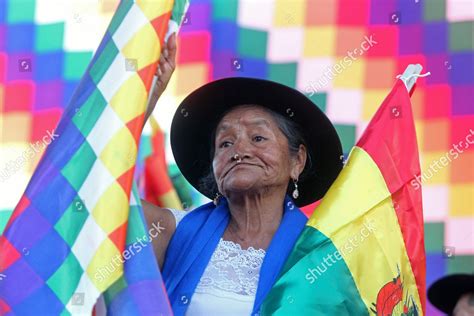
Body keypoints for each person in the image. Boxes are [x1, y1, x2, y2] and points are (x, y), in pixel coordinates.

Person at [141, 35, 343, 315]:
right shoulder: (173, 231)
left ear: (297, 160)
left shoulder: (322, 256)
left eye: (258, 138)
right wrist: (142, 100)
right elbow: (96, 192)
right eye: (225, 143)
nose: (239, 151)